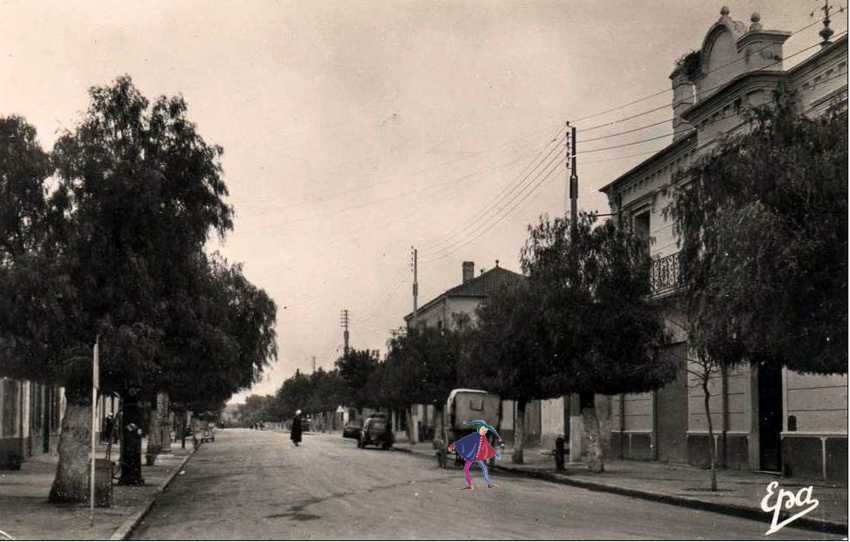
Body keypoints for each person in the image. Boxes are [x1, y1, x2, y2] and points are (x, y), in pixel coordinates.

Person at [447, 419, 503, 490]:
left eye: (485, 430)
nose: (484, 431)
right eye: (483, 429)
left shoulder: (484, 438)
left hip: (478, 457)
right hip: (472, 456)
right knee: (466, 469)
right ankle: (470, 485)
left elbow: (488, 446)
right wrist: (452, 445)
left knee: (484, 468)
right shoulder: (474, 436)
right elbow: (463, 440)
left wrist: (495, 452)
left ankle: (489, 484)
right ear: (478, 429)